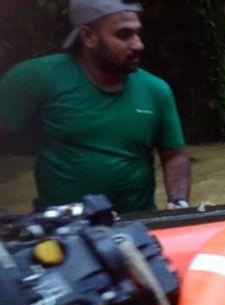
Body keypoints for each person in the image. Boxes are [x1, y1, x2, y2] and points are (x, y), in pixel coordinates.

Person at [0, 0, 191, 214]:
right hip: (65, 228)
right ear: (88, 36)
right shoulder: (34, 79)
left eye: (138, 33)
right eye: (124, 35)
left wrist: (179, 202)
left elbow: (173, 154)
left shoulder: (156, 90)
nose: (138, 44)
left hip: (137, 224)